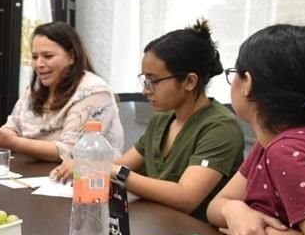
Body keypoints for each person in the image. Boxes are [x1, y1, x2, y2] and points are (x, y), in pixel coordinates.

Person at [50, 20, 245, 220]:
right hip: (156, 225)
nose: (145, 90)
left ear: (189, 81)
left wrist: (111, 170)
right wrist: (89, 166)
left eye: (154, 81)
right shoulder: (161, 121)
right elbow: (119, 165)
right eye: (145, 80)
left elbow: (187, 197)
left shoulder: (220, 128)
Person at [207, 24, 305, 235]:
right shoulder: (270, 142)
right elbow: (217, 205)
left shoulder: (288, 150)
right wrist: (234, 208)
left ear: (247, 82)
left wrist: (267, 231)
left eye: (234, 73)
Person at [0, 21, 122, 161]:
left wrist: (13, 143)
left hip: (85, 181)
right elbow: (13, 127)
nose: (39, 64)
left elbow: (71, 150)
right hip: (34, 174)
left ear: (71, 57)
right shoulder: (35, 88)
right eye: (35, 57)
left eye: (48, 56)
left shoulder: (94, 91)